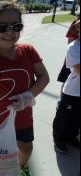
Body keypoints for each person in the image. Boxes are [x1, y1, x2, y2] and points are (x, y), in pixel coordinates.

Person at [0, 1, 50, 176]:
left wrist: (29, 95)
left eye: (16, 26)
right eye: (2, 27)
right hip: (0, 118)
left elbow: (44, 77)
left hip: (24, 116)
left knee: (26, 148)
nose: (10, 31)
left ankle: (21, 168)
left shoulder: (28, 51)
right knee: (1, 153)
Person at [53, 19, 80, 154]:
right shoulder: (74, 47)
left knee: (77, 120)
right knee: (63, 119)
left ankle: (71, 137)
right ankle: (59, 140)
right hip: (72, 91)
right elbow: (78, 69)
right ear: (78, 28)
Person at [57, 15, 80, 93]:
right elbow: (70, 41)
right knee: (67, 80)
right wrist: (71, 56)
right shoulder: (74, 47)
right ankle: (61, 99)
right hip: (74, 57)